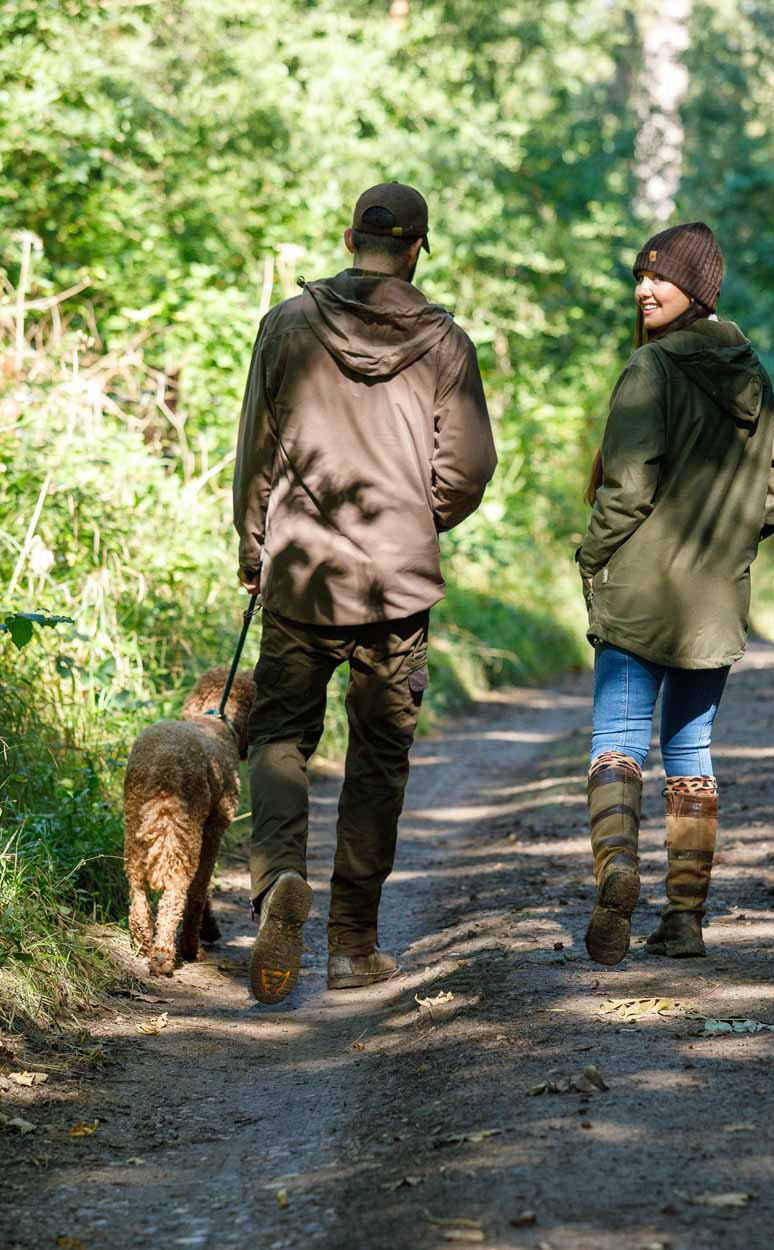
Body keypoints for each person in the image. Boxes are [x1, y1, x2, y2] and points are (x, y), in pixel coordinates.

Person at [233, 182, 497, 1004]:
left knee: (278, 735)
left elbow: (258, 448)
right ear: (419, 246)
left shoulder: (287, 325)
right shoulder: (446, 344)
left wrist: (255, 542)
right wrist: (419, 515)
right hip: (397, 582)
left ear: (351, 236)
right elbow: (470, 467)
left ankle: (279, 878)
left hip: (302, 573)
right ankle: (352, 947)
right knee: (378, 761)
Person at [577, 222, 774, 966]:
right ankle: (684, 921)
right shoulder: (751, 372)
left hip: (639, 589)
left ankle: (618, 871)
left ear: (695, 290)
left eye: (660, 279)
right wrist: (728, 542)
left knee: (616, 748)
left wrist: (589, 555)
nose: (644, 288)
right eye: (639, 276)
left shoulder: (653, 370)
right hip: (714, 599)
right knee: (691, 753)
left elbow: (627, 488)